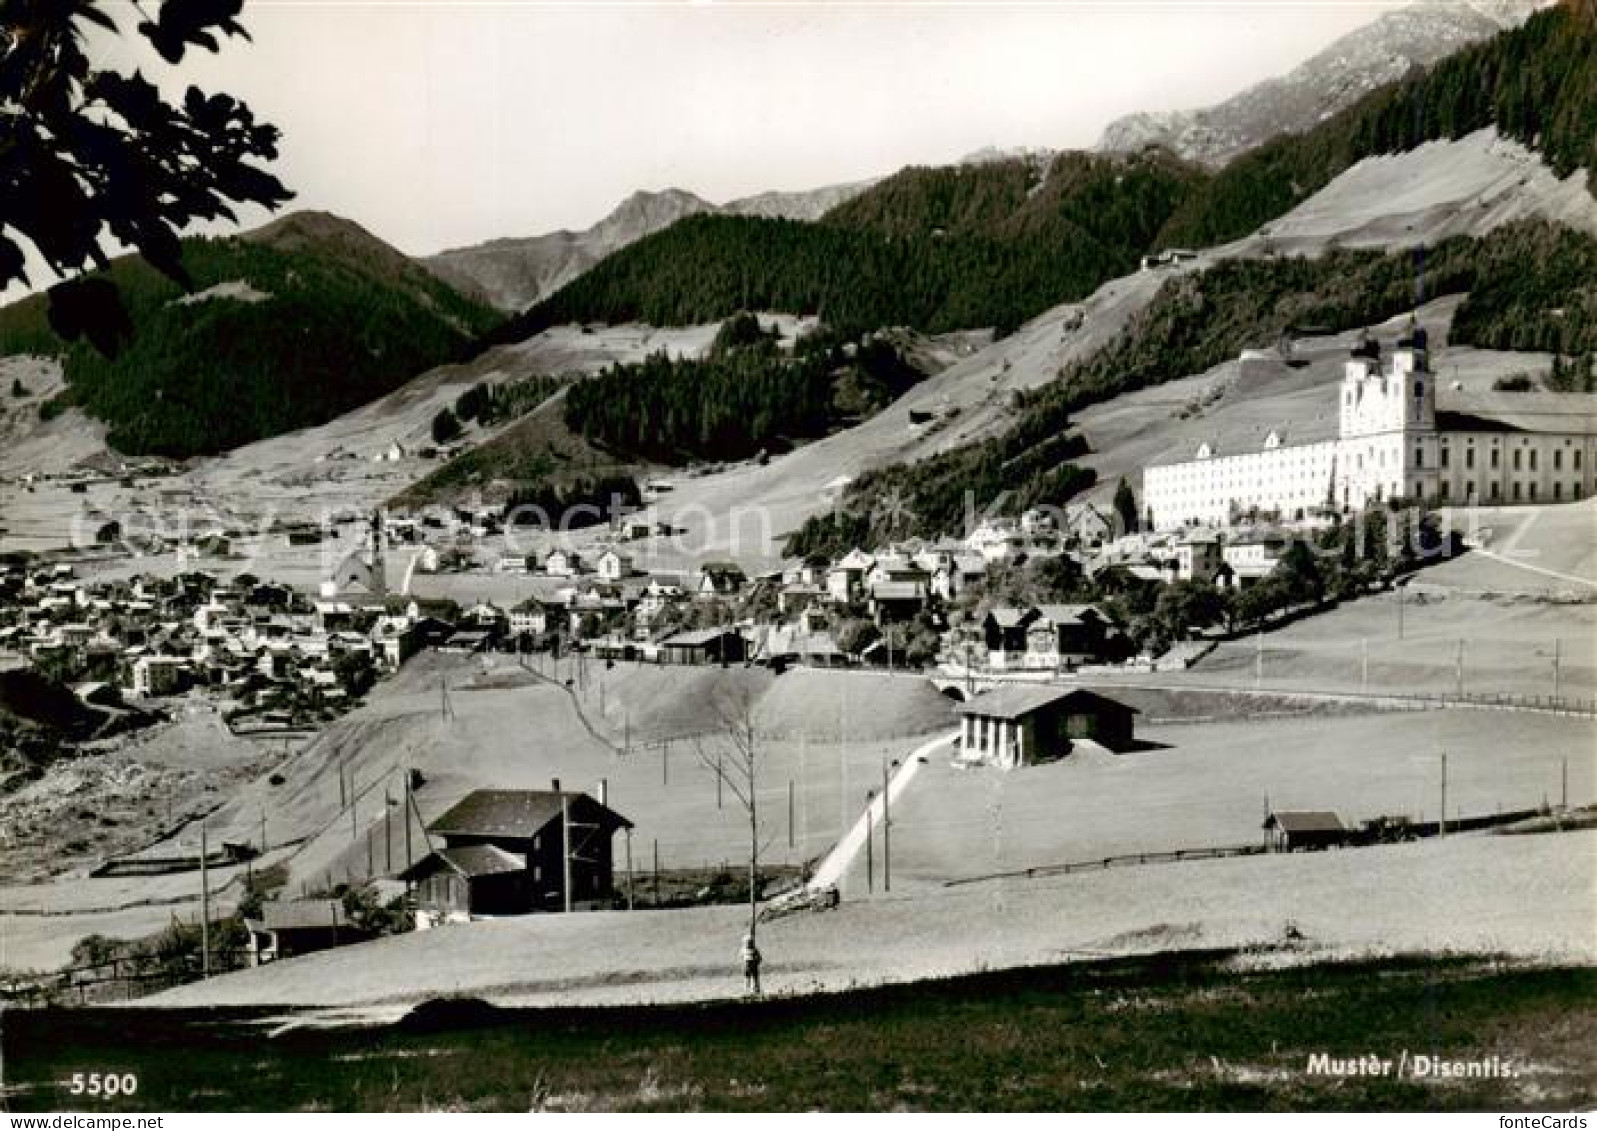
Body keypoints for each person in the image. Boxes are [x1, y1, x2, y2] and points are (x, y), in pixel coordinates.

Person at [740, 931, 762, 997]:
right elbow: (742, 958)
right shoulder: (744, 950)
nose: (748, 944)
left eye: (749, 943)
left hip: (753, 966)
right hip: (747, 966)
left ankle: (755, 989)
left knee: (755, 978)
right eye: (747, 943)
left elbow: (759, 958)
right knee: (747, 978)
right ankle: (747, 989)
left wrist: (757, 962)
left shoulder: (754, 950)